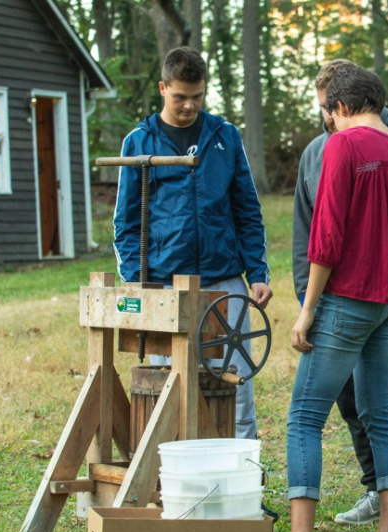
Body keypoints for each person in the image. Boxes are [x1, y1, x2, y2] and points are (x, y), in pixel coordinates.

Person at [273, 66, 388, 532]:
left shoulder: (342, 147)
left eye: (328, 112)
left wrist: (307, 312)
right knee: (382, 412)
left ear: (341, 107)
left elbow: (325, 236)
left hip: (351, 296)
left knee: (304, 416)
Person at [113, 47, 272, 440]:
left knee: (236, 385)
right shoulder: (139, 141)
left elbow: (247, 210)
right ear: (162, 88)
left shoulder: (225, 136)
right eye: (179, 96)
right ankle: (170, 482)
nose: (188, 105)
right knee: (170, 388)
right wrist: (139, 282)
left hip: (225, 281)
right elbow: (126, 222)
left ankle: (244, 483)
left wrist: (258, 273)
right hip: (167, 283)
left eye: (197, 97)